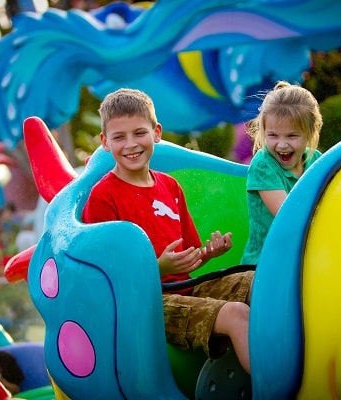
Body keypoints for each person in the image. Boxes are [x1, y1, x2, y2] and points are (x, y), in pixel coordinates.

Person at [82, 88, 253, 373]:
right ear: (105, 142)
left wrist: (209, 253)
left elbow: (189, 258)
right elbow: (108, 277)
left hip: (188, 288)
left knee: (260, 280)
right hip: (147, 304)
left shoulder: (170, 186)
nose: (131, 144)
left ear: (157, 132)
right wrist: (157, 267)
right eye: (119, 137)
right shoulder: (103, 197)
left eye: (139, 133)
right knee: (236, 314)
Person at [240, 81, 323, 265]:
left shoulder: (316, 160)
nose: (282, 144)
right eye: (273, 135)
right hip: (264, 266)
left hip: (305, 259)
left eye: (292, 136)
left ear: (310, 132)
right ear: (263, 131)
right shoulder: (263, 165)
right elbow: (289, 218)